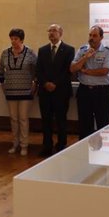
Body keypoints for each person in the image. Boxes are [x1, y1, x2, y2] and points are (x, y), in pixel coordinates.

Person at [0, 28, 37, 155]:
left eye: (16, 39)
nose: (13, 41)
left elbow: (37, 72)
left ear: (22, 39)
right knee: (13, 119)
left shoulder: (30, 52)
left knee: (23, 118)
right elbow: (0, 72)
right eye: (12, 39)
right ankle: (15, 143)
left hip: (26, 91)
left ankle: (24, 145)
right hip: (11, 91)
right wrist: (3, 86)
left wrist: (34, 86)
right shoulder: (5, 53)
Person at [36, 24, 75, 156]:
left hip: (61, 91)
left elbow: (67, 71)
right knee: (46, 120)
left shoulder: (69, 50)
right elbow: (39, 70)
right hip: (45, 91)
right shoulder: (42, 50)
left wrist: (55, 84)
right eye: (50, 31)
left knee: (61, 120)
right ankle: (47, 146)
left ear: (60, 33)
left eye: (54, 31)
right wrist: (46, 83)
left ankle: (61, 145)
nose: (51, 33)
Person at [70, 26, 109, 139]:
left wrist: (85, 71)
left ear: (101, 37)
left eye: (94, 36)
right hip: (84, 91)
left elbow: (105, 71)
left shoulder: (107, 51)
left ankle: (102, 152)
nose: (91, 38)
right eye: (90, 35)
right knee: (84, 123)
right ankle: (84, 151)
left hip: (101, 91)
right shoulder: (83, 50)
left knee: (102, 122)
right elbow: (73, 68)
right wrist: (85, 57)